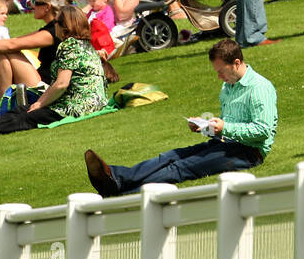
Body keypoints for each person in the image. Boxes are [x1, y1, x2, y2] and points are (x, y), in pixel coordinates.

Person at [85, 40, 277, 194]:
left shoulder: (260, 88)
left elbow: (262, 131)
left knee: (180, 168)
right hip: (225, 143)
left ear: (236, 63)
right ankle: (117, 177)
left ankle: (124, 192)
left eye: (221, 72)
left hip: (249, 153)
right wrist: (205, 126)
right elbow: (227, 125)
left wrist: (224, 127)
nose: (219, 77)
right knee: (169, 156)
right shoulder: (229, 86)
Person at [0, 5, 106, 143]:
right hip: (93, 102)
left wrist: (41, 103)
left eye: (56, 22)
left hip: (78, 106)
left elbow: (62, 84)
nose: (54, 25)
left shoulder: (69, 44)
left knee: (27, 116)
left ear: (64, 26)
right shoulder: (86, 46)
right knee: (21, 110)